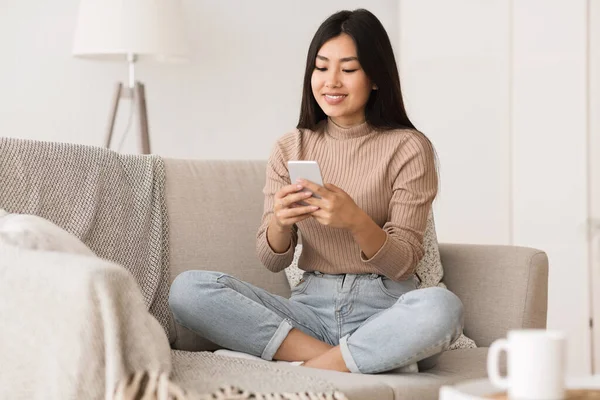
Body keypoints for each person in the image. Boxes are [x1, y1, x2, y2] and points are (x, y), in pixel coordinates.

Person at [169, 8, 464, 374]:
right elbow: (272, 259)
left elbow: (404, 262)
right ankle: (356, 359)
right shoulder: (290, 147)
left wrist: (355, 221)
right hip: (311, 310)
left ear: (375, 78)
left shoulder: (408, 147)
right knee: (188, 290)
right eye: (321, 68)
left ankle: (307, 367)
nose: (331, 81)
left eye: (349, 69)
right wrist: (279, 222)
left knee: (443, 309)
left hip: (386, 310)